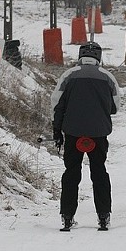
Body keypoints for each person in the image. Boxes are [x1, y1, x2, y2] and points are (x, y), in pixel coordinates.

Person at [51, 41, 121, 231]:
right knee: (99, 172)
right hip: (99, 134)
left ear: (80, 56)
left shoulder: (68, 75)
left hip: (73, 132)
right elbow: (115, 107)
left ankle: (67, 217)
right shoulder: (108, 77)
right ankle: (104, 216)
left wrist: (57, 130)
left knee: (71, 173)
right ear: (99, 57)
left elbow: (57, 104)